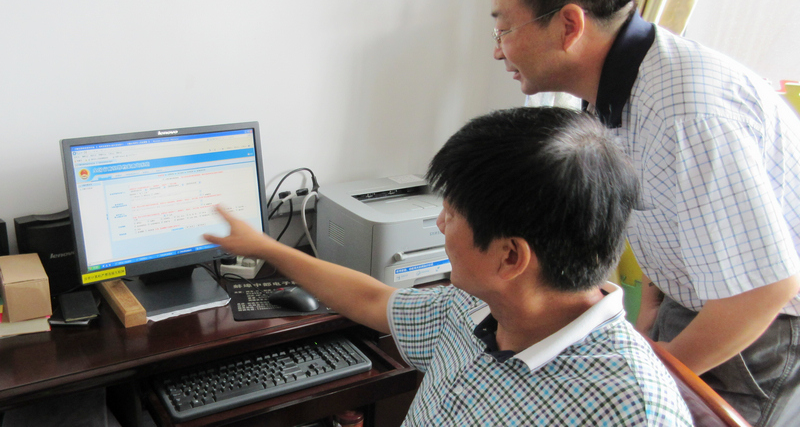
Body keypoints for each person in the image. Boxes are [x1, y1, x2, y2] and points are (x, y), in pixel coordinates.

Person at [204, 107, 692, 426]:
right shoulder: (473, 308)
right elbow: (373, 300)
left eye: (452, 214)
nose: (439, 223)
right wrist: (266, 247)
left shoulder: (632, 409)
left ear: (510, 257)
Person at [490, 0, 800, 427]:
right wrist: (652, 309)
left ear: (569, 25)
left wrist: (651, 377)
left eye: (505, 30)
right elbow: (671, 212)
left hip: (757, 328)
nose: (498, 50)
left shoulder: (685, 115)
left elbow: (763, 290)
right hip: (696, 298)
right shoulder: (622, 84)